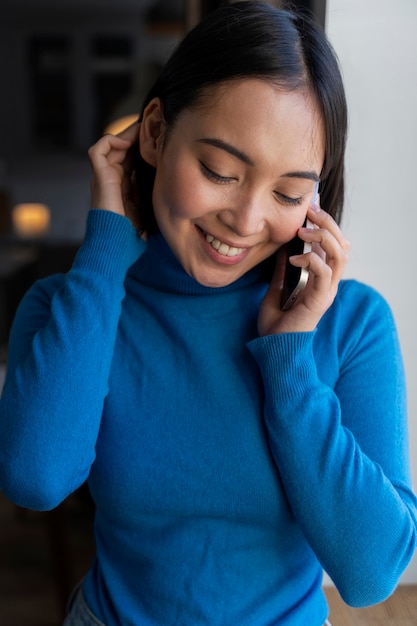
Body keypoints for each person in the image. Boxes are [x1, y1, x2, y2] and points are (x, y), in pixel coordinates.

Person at [0, 2, 416, 624]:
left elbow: (371, 573)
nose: (246, 222)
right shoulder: (76, 306)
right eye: (220, 171)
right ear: (155, 133)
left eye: (288, 193)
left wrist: (290, 367)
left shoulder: (352, 325)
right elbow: (36, 477)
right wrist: (108, 248)